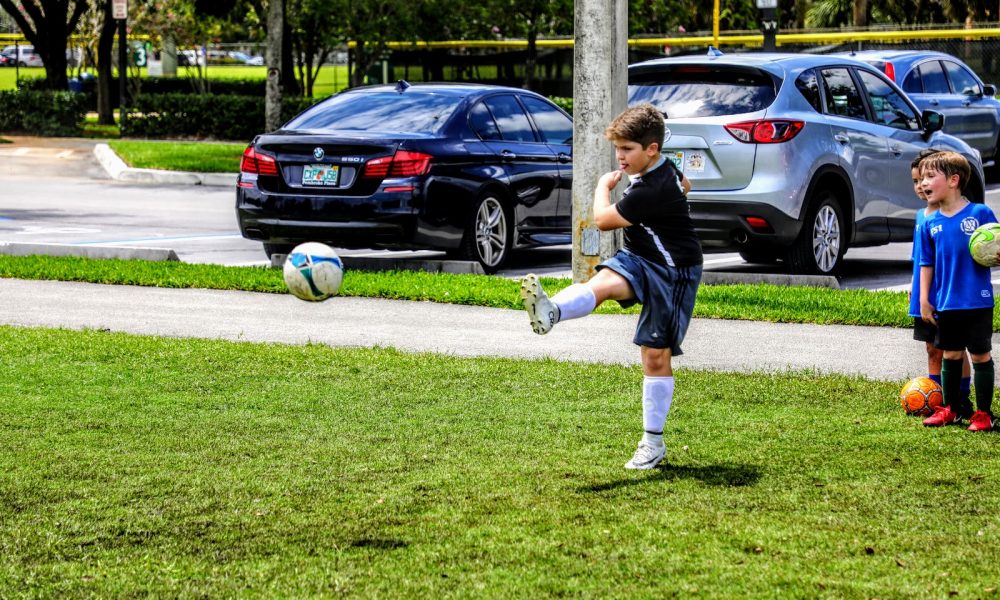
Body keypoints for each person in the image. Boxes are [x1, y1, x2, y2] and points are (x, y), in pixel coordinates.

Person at [519, 103, 703, 469]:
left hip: (673, 272)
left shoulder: (652, 187)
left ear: (651, 149)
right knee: (601, 283)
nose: (620, 156)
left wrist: (603, 186)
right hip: (639, 257)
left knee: (654, 355)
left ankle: (653, 443)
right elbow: (685, 182)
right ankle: (550, 310)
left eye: (627, 149)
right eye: (617, 148)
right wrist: (682, 188)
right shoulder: (660, 169)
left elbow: (603, 220)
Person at [918, 150, 997, 431]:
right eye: (922, 177)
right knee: (951, 354)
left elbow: (995, 245)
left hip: (977, 302)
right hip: (946, 302)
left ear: (953, 180)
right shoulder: (931, 222)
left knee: (979, 355)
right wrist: (924, 300)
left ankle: (984, 414)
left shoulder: (980, 213)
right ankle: (952, 409)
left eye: (930, 176)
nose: (924, 183)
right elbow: (926, 263)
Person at [907, 150, 972, 410]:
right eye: (915, 180)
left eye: (926, 178)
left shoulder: (958, 215)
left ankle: (961, 396)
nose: (921, 185)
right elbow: (918, 258)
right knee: (932, 347)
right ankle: (936, 398)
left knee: (955, 347)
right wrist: (915, 288)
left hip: (948, 293)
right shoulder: (921, 217)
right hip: (925, 292)